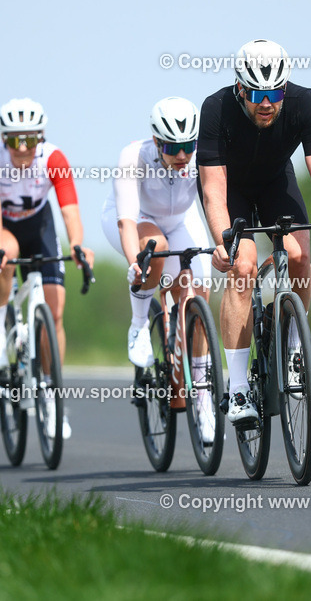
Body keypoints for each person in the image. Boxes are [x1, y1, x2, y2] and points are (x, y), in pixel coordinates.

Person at [197, 40, 311, 426]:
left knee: (300, 257)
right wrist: (224, 241)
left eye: (275, 93)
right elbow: (213, 190)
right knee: (243, 267)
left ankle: (290, 350)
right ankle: (237, 388)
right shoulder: (215, 108)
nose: (267, 102)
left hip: (274, 183)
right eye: (257, 94)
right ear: (240, 88)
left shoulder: (304, 103)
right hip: (230, 188)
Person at [0, 98, 93, 438]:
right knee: (7, 251)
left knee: (56, 308)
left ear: (42, 137)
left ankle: (51, 393)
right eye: (13, 140)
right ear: (2, 139)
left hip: (38, 225)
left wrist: (78, 245)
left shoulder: (53, 158)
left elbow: (69, 211)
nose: (22, 148)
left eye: (30, 140)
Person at [100, 97, 215, 441]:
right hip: (136, 219)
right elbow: (126, 218)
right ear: (155, 141)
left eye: (187, 147)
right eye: (172, 147)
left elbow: (213, 201)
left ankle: (204, 396)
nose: (182, 156)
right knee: (157, 250)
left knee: (200, 290)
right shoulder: (133, 157)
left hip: (180, 219)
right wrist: (135, 262)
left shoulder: (202, 154)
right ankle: (138, 325)